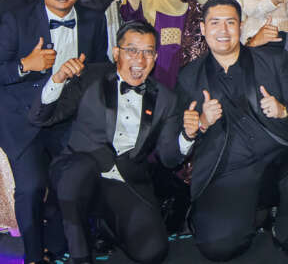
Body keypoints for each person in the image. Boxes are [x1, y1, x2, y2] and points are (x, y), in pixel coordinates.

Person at [28, 20, 186, 264]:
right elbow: (40, 117)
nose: (140, 59)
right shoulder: (90, 76)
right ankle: (80, 256)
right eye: (132, 50)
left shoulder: (167, 99)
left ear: (155, 57)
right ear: (116, 53)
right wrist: (58, 80)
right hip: (77, 172)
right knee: (80, 171)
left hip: (124, 180)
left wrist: (189, 135)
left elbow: (169, 158)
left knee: (152, 252)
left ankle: (108, 226)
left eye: (147, 52)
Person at [177, 0, 288, 260]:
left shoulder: (273, 59)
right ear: (203, 28)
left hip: (274, 160)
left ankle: (284, 231)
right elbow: (171, 152)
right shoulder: (189, 77)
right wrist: (201, 123)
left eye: (230, 22)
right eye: (215, 23)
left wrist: (283, 110)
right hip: (227, 171)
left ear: (241, 25)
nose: (223, 31)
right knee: (217, 248)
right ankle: (253, 215)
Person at [0, 0, 108, 264]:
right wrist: (25, 65)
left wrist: (86, 77)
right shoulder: (15, 19)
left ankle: (63, 245)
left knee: (74, 181)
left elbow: (99, 66)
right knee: (31, 186)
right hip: (23, 117)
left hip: (68, 116)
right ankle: (34, 256)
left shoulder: (93, 18)